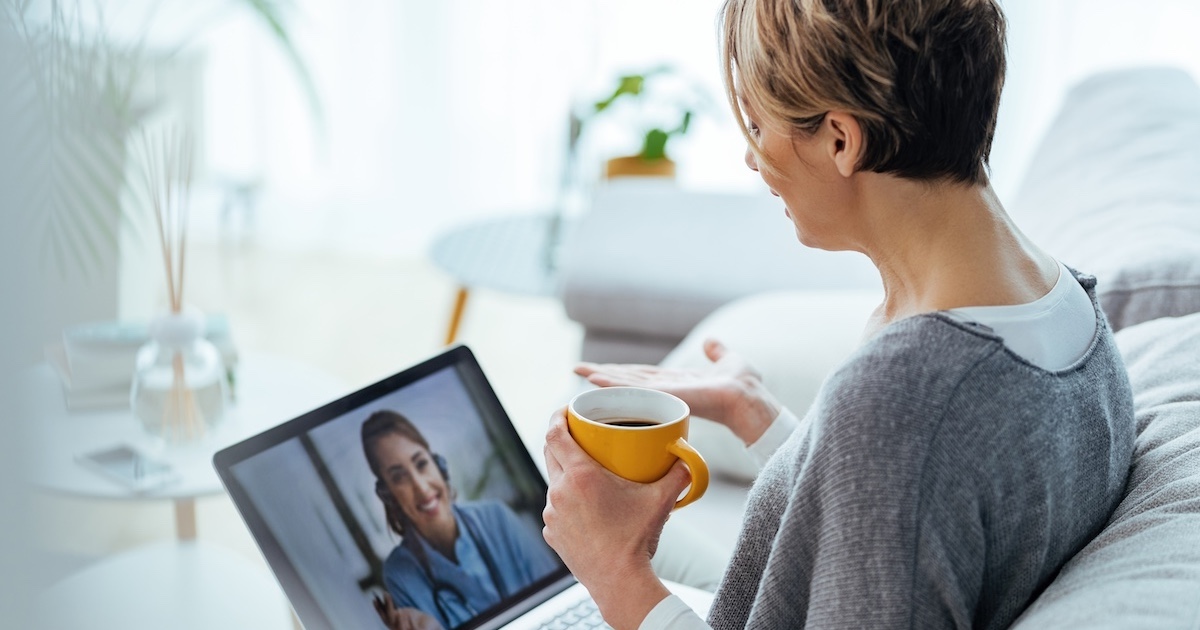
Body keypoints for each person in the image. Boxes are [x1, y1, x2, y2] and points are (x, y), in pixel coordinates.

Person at [540, 1, 1135, 629]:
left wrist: (615, 572)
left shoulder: (905, 401)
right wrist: (761, 417)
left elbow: (909, 452)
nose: (752, 158)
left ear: (841, 140)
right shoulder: (1067, 307)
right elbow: (905, 521)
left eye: (756, 125)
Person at [362, 410, 560, 630]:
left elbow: (558, 593)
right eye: (399, 477)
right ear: (388, 495)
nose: (421, 487)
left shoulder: (496, 517)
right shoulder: (400, 573)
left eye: (421, 464)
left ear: (438, 465)